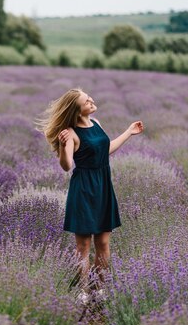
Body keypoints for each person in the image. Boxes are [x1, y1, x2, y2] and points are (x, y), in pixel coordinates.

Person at [36, 88, 144, 304]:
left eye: (89, 97)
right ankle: (83, 292)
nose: (92, 100)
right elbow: (67, 166)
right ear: (77, 110)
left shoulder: (97, 124)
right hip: (84, 189)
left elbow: (105, 149)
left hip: (103, 185)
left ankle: (100, 289)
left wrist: (128, 132)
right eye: (87, 100)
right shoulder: (71, 133)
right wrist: (64, 145)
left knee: (103, 243)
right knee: (83, 246)